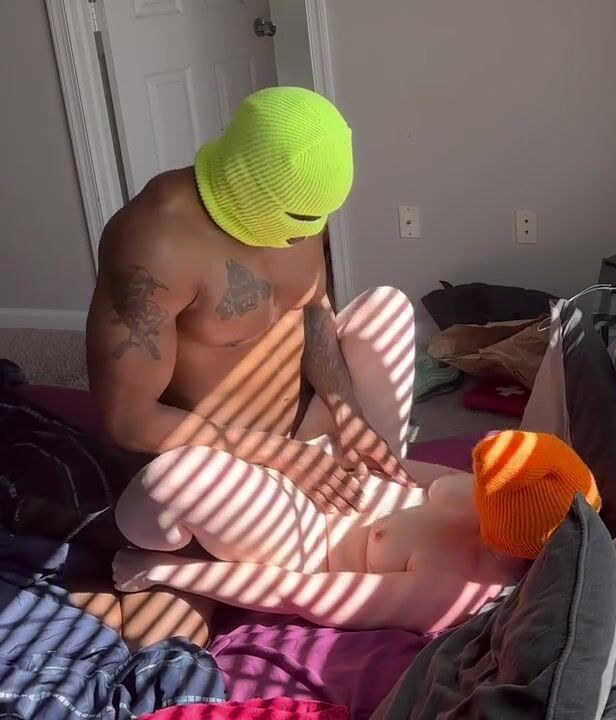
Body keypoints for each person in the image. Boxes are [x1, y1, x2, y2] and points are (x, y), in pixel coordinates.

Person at [85, 87, 440, 645]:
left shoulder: (300, 210)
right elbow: (127, 420)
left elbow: (315, 313)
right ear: (248, 184)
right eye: (299, 219)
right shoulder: (153, 246)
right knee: (174, 485)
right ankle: (276, 542)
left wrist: (348, 415)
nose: (308, 233)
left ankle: (350, 483)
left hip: (310, 433)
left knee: (388, 307)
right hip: (237, 464)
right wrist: (283, 458)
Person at [111, 431, 600, 632]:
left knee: (172, 478)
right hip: (330, 483)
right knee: (383, 307)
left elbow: (298, 593)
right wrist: (329, 454)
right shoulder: (488, 501)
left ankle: (140, 528)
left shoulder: (452, 589)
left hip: (306, 538)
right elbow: (419, 476)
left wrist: (164, 570)